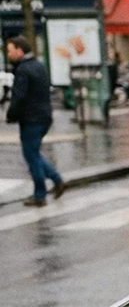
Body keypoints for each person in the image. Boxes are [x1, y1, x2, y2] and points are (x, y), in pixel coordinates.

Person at [5, 36, 63, 208]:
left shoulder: (23, 70)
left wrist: (11, 115)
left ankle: (40, 194)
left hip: (31, 118)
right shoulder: (38, 65)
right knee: (34, 154)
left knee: (31, 156)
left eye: (9, 50)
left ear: (19, 51)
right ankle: (57, 180)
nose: (8, 54)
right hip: (44, 116)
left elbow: (19, 97)